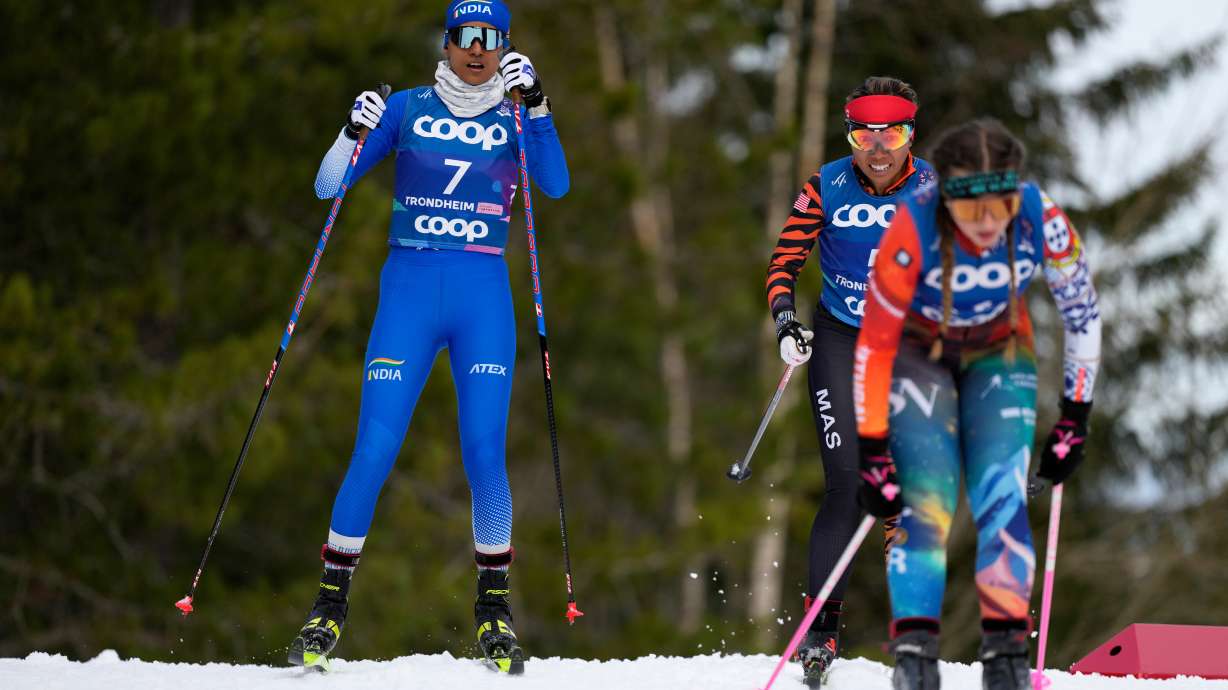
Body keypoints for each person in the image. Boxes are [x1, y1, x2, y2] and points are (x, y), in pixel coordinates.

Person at [287, 0, 568, 674]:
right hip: (409, 295)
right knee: (375, 449)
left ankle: (494, 612)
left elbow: (554, 185)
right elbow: (330, 185)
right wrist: (349, 129)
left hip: (482, 301)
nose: (477, 50)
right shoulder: (408, 108)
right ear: (445, 44)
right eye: (465, 37)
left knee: (483, 454)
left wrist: (540, 108)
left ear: (504, 47)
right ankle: (329, 606)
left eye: (490, 38)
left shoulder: (513, 113)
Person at [852, 118, 1101, 690]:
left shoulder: (1043, 219)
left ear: (1019, 192)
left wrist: (1075, 416)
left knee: (1002, 495)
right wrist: (870, 447)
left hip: (1000, 352)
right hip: (921, 356)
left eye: (1002, 204)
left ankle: (1006, 654)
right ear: (946, 199)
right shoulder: (911, 228)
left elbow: (1081, 312)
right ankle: (915, 652)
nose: (988, 223)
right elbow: (874, 345)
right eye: (970, 211)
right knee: (924, 501)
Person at [765, 76, 934, 686]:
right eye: (866, 132)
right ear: (851, 135)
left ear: (911, 134)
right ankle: (821, 632)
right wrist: (785, 320)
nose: (879, 146)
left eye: (893, 132)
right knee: (846, 484)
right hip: (839, 338)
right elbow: (785, 260)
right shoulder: (827, 184)